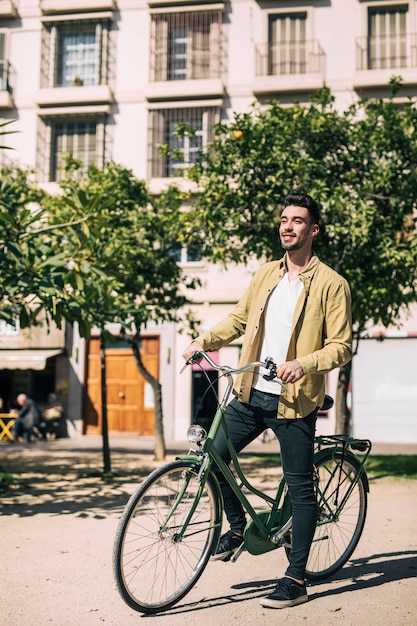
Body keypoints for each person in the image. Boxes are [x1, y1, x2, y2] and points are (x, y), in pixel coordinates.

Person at [182, 192, 352, 609]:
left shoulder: (332, 284)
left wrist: (305, 363)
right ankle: (238, 528)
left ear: (313, 230)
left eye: (296, 221)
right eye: (283, 219)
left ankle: (295, 579)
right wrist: (202, 340)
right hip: (251, 392)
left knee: (300, 491)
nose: (286, 226)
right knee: (215, 458)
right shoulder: (265, 275)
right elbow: (240, 321)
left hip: (295, 401)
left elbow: (341, 346)